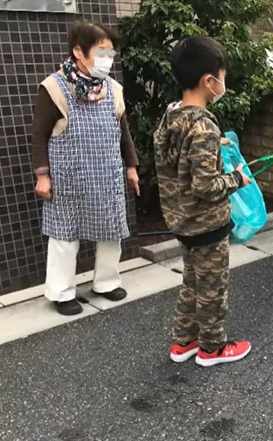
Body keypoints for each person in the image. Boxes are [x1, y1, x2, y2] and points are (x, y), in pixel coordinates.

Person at [154, 36, 252, 367]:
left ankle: (183, 342)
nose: (224, 82)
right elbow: (206, 186)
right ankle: (212, 347)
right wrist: (237, 178)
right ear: (209, 81)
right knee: (212, 288)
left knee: (192, 282)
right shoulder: (204, 126)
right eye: (222, 76)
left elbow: (179, 153)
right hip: (206, 224)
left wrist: (213, 145)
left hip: (181, 220)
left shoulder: (172, 115)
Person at [31, 21, 140, 316]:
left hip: (107, 174)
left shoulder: (113, 89)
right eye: (101, 52)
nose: (107, 59)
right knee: (64, 235)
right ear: (78, 51)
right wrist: (42, 175)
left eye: (110, 53)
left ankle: (106, 283)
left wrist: (131, 166)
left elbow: (123, 132)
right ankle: (61, 292)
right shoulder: (53, 87)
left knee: (111, 231)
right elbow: (39, 135)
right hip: (69, 177)